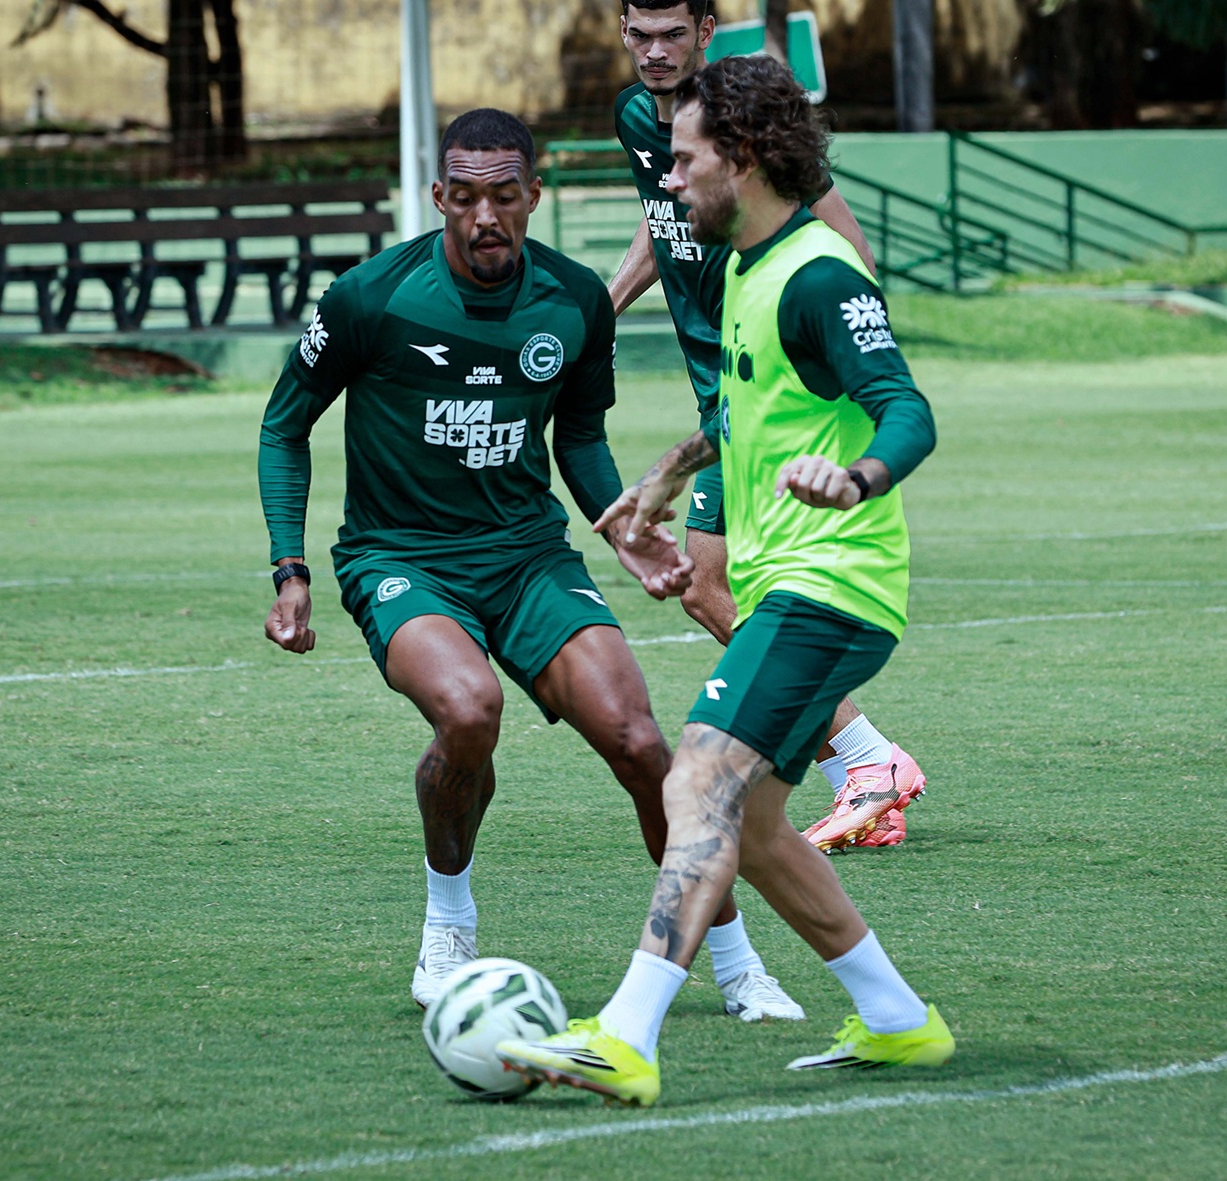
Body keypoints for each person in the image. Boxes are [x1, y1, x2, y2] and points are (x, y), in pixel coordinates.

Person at [257, 107, 803, 1022]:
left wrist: (621, 525)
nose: (484, 218)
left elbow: (579, 437)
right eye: (464, 198)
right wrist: (290, 568)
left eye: (504, 197)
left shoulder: (577, 299)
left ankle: (738, 962)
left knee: (640, 744)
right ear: (437, 197)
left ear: (533, 197)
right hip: (403, 560)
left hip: (527, 559)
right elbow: (284, 426)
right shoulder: (371, 297)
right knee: (470, 710)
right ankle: (448, 919)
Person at [498, 57, 951, 1108]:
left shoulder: (819, 272)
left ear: (740, 159)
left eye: (686, 159)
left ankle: (624, 1034)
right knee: (749, 825)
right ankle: (896, 1019)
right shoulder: (744, 268)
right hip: (792, 580)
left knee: (696, 778)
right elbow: (749, 408)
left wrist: (859, 473)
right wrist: (664, 478)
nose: (670, 177)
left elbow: (905, 404)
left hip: (832, 585)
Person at [610, 0, 926, 852]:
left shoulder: (743, 118)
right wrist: (603, 308)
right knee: (712, 587)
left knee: (714, 586)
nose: (655, 52)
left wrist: (832, 357)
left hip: (772, 393)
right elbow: (665, 212)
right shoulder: (639, 118)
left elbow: (845, 250)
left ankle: (860, 763)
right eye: (639, 34)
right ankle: (858, 766)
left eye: (674, 33)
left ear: (708, 31)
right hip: (720, 396)